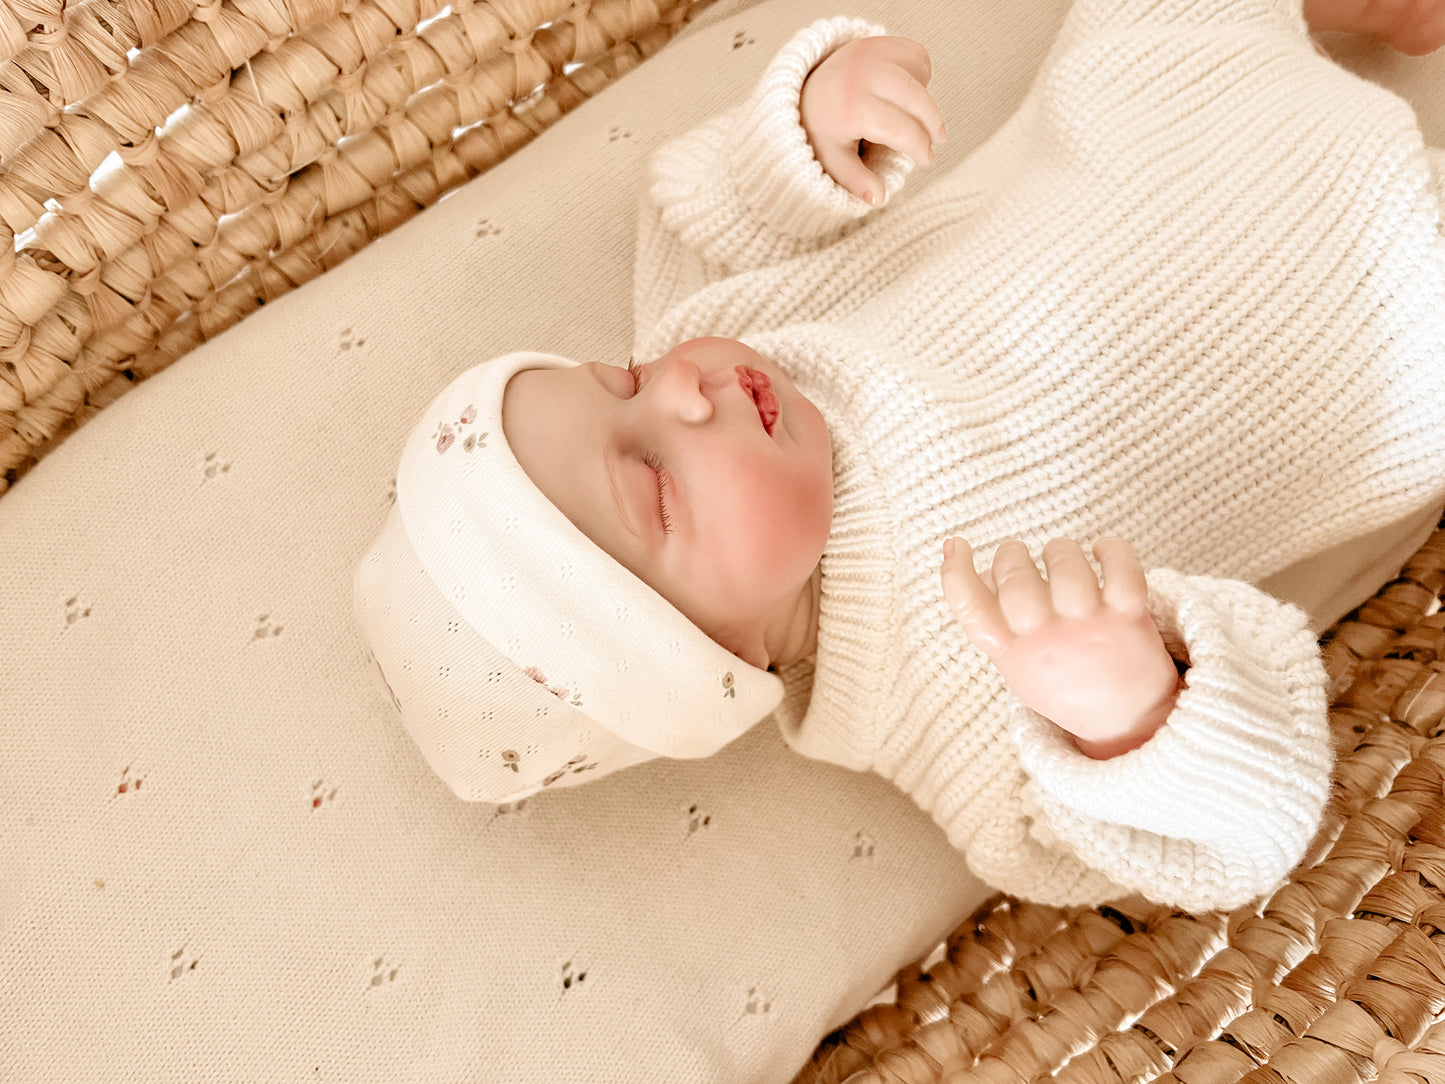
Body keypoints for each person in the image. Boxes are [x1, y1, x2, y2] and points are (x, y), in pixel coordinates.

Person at [354, 0, 1445, 912]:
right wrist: (1131, 717)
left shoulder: (729, 336)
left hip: (1156, 108)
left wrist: (812, 130)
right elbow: (1231, 835)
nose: (678, 387)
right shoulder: (948, 721)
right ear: (716, 655)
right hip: (1378, 325)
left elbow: (707, 213)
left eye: (621, 379)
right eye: (652, 480)